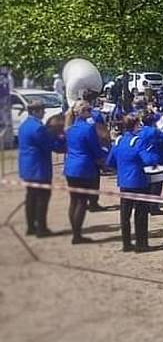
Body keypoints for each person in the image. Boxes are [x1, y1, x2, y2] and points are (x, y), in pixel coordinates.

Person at [106, 115, 160, 252]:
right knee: (141, 214)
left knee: (125, 214)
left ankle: (126, 243)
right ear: (135, 125)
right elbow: (147, 160)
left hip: (124, 182)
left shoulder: (119, 140)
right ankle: (141, 243)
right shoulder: (137, 141)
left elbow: (110, 161)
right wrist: (155, 157)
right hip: (138, 181)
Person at [18, 100, 65, 237]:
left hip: (27, 167)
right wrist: (63, 142)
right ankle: (41, 228)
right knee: (42, 199)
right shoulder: (38, 128)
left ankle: (31, 226)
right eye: (42, 110)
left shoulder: (24, 125)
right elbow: (49, 145)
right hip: (39, 168)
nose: (44, 113)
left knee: (31, 197)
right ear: (35, 111)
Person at [63, 100, 107, 244]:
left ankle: (75, 232)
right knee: (81, 202)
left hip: (71, 167)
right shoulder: (88, 128)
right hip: (84, 167)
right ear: (82, 112)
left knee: (74, 201)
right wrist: (103, 159)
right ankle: (77, 235)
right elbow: (95, 148)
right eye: (88, 110)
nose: (90, 112)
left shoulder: (69, 128)